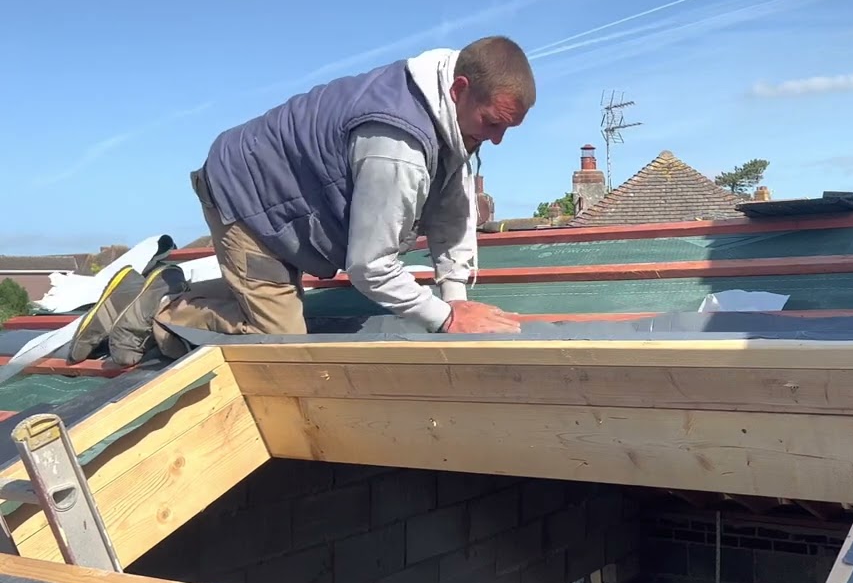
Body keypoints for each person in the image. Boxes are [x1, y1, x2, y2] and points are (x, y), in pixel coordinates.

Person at [69, 36, 530, 367]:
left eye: (507, 129)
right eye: (492, 123)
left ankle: (170, 288)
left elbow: (451, 212)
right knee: (279, 344)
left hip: (287, 205)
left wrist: (455, 297)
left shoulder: (449, 116)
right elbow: (369, 266)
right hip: (250, 204)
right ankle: (159, 310)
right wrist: (446, 320)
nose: (497, 140)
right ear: (459, 89)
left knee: (275, 302)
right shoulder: (397, 145)